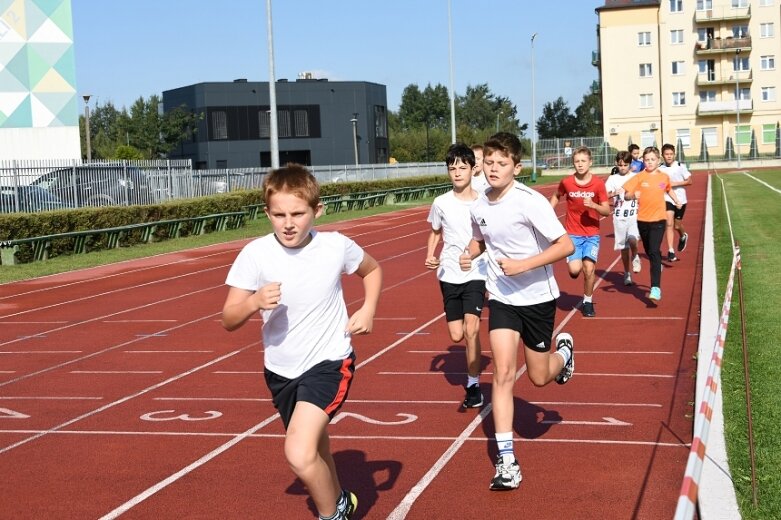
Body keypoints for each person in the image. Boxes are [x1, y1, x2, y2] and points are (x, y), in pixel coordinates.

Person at [221, 164, 382, 520]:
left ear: (317, 211)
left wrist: (368, 308)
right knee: (316, 447)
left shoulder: (335, 246)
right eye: (278, 215)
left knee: (298, 452)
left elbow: (372, 269)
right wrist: (252, 302)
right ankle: (340, 500)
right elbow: (228, 318)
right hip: (280, 370)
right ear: (267, 213)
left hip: (329, 361)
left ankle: (332, 515)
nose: (288, 223)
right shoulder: (255, 254)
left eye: (297, 213)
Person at [459, 132, 575, 491]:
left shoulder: (531, 202)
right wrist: (470, 253)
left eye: (501, 164)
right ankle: (507, 461)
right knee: (504, 373)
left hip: (538, 297)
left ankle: (564, 354)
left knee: (539, 376)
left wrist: (525, 264)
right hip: (504, 297)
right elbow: (481, 238)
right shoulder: (479, 204)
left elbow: (566, 245)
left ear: (516, 167)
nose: (493, 169)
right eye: (489, 163)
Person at [426, 143, 487, 408]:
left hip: (476, 271)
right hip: (449, 273)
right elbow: (436, 232)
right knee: (455, 335)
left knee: (471, 329)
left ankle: (473, 386)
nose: (457, 172)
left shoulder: (484, 201)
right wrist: (431, 254)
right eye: (452, 169)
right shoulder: (440, 203)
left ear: (474, 170)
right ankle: (472, 365)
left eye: (462, 167)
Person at [549, 146, 610, 317]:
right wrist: (548, 213)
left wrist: (594, 205)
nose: (580, 164)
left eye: (583, 161)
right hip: (573, 234)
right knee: (575, 271)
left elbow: (606, 211)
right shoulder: (567, 182)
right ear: (573, 163)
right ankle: (576, 270)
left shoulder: (598, 184)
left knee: (589, 269)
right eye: (577, 161)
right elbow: (556, 195)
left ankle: (588, 302)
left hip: (591, 235)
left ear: (590, 162)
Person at [622, 146, 682, 302]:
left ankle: (655, 288)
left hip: (659, 219)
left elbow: (668, 189)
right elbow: (626, 195)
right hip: (642, 220)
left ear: (658, 160)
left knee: (655, 251)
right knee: (649, 251)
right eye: (646, 159)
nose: (649, 162)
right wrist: (632, 195)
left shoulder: (663, 177)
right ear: (643, 160)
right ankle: (657, 266)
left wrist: (676, 200)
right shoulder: (639, 177)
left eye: (652, 159)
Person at [604, 151, 642, 286]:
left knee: (633, 239)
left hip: (633, 215)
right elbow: (604, 195)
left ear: (630, 164)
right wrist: (615, 193)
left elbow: (642, 192)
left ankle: (636, 255)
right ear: (616, 164)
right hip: (619, 217)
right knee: (624, 249)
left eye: (626, 165)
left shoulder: (636, 177)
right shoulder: (612, 179)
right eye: (620, 165)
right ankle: (627, 273)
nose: (623, 168)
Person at [659, 143, 692, 262]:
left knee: (677, 225)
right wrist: (665, 185)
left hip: (680, 199)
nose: (669, 156)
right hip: (667, 198)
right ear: (662, 155)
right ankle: (671, 251)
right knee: (669, 223)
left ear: (674, 154)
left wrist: (674, 184)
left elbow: (689, 181)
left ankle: (683, 235)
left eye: (671, 154)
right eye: (666, 154)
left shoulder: (680, 166)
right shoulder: (659, 169)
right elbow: (660, 184)